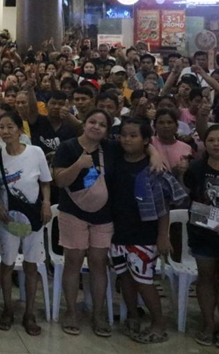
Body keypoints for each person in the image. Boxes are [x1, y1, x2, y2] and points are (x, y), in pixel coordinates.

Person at [52, 109, 117, 337]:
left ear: (107, 130)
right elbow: (59, 181)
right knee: (74, 260)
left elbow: (141, 146)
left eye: (102, 124)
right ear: (84, 123)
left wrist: (155, 154)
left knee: (99, 262)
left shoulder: (111, 149)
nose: (96, 127)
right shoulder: (68, 147)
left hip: (103, 215)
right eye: (92, 122)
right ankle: (70, 311)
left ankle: (98, 314)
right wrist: (78, 165)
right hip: (73, 213)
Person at [109, 118, 174, 344]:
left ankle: (158, 323)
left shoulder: (152, 167)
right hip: (118, 232)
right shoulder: (116, 159)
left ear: (146, 140)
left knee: (144, 281)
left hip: (144, 234)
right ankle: (133, 316)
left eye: (134, 135)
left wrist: (162, 235)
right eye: (124, 134)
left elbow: (163, 206)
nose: (127, 139)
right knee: (125, 278)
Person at [0, 111, 52, 336]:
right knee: (7, 264)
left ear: (20, 129)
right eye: (1, 127)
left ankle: (30, 313)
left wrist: (46, 203)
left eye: (10, 127)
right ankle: (7, 308)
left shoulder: (36, 152)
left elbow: (45, 182)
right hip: (7, 219)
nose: (5, 131)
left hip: (34, 216)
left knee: (31, 264)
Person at [186, 125, 219, 346]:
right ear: (204, 144)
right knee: (205, 279)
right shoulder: (196, 169)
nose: (216, 144)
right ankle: (208, 324)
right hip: (204, 234)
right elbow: (193, 203)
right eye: (211, 140)